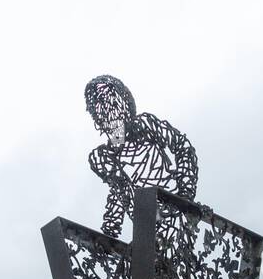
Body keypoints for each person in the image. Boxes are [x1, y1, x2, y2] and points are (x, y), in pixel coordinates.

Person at [84, 74, 198, 244]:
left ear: (124, 102)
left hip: (174, 215)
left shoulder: (146, 125)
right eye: (98, 105)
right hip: (146, 229)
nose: (104, 110)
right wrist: (110, 229)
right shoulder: (104, 157)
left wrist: (185, 195)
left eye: (110, 102)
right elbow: (119, 188)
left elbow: (182, 147)